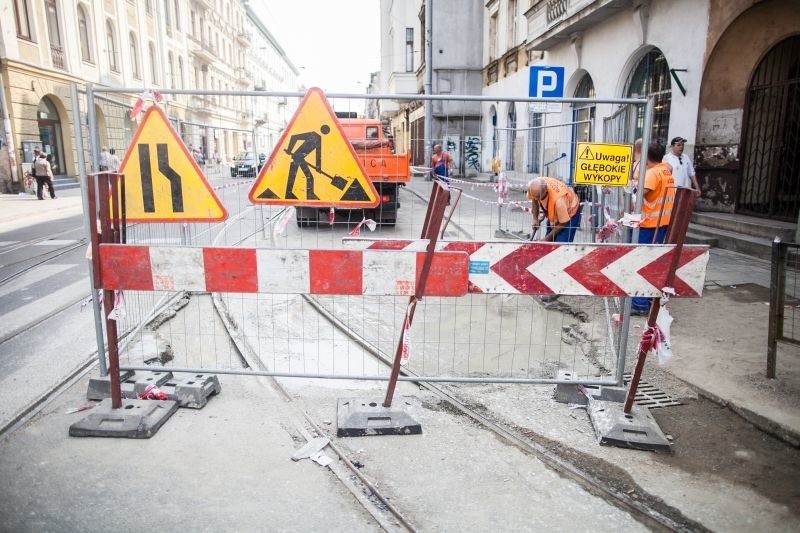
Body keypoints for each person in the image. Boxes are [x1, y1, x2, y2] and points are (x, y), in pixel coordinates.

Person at [631, 143, 676, 314]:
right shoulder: (665, 170)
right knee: (653, 262)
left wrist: (633, 191)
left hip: (649, 224)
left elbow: (639, 196)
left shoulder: (652, 174)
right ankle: (649, 299)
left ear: (645, 157)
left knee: (641, 262)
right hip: (661, 223)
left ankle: (639, 303)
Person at [527, 176, 582, 243]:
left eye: (538, 197)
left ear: (546, 191)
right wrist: (535, 219)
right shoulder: (533, 186)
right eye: (535, 196)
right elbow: (534, 200)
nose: (536, 199)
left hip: (570, 211)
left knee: (561, 244)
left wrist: (546, 239)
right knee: (548, 244)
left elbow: (563, 223)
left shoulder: (559, 201)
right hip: (555, 210)